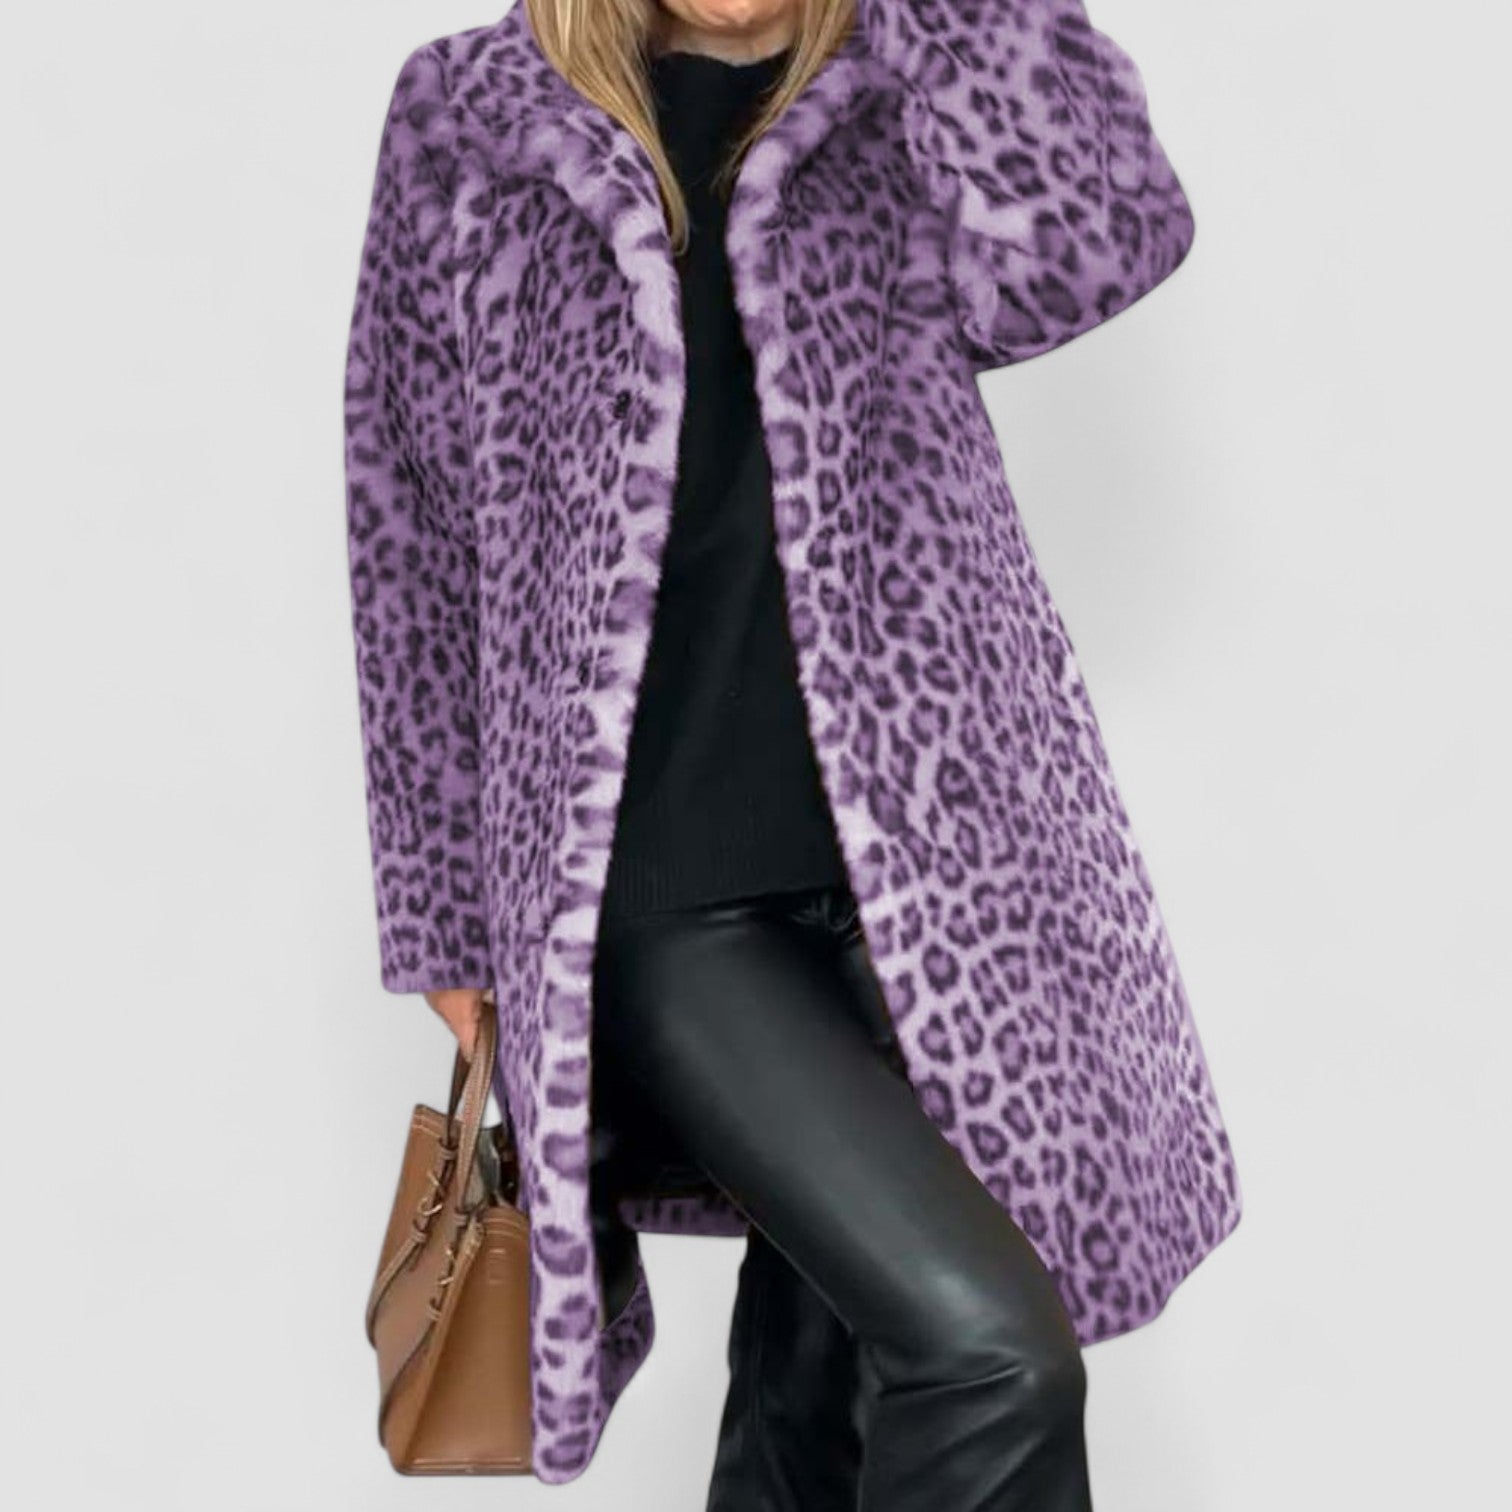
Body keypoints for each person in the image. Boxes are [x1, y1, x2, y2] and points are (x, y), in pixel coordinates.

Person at [344, 0, 1240, 1500]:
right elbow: (412, 534)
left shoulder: (901, 85)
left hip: (932, 881)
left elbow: (1100, 243)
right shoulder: (474, 115)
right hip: (658, 894)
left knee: (812, 1406)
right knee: (990, 1355)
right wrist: (441, 916)